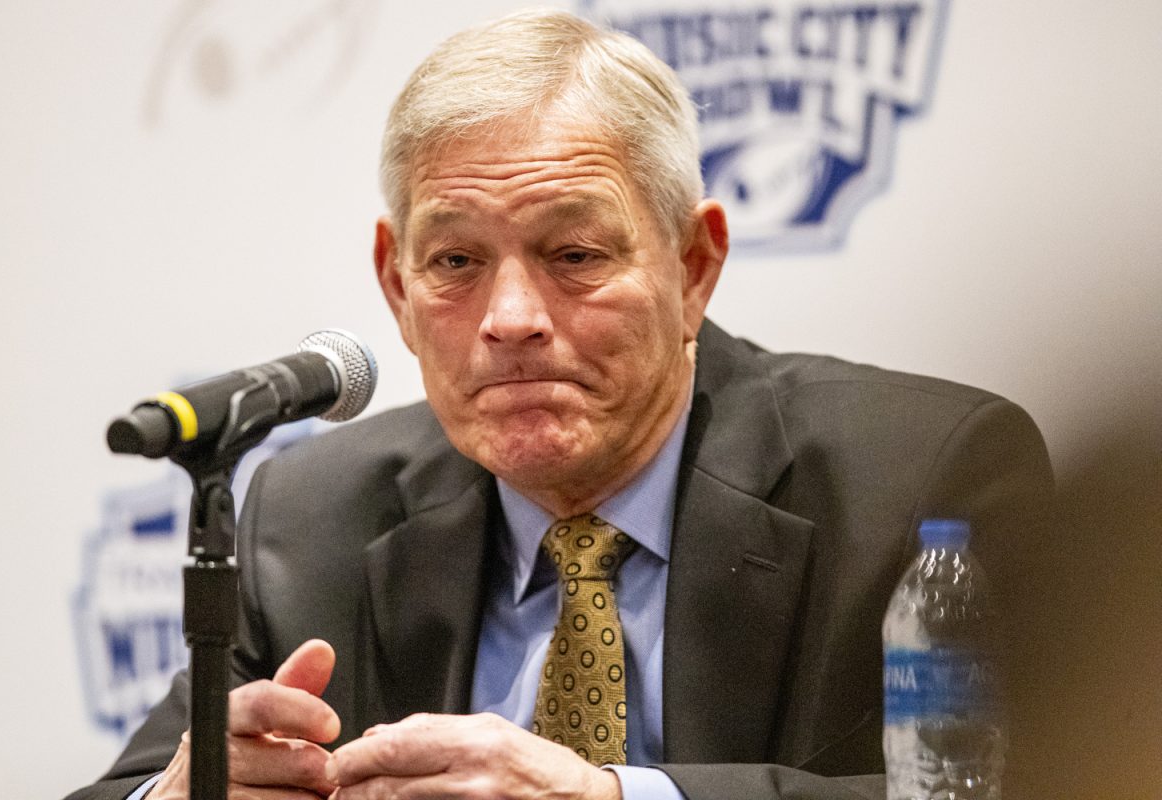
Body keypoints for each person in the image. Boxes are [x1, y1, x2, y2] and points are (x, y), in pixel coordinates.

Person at [67, 9, 1053, 800]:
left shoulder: (926, 479)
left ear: (694, 265)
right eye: (455, 260)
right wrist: (175, 796)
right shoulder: (309, 515)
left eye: (575, 254)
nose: (509, 318)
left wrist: (615, 796)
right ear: (396, 285)